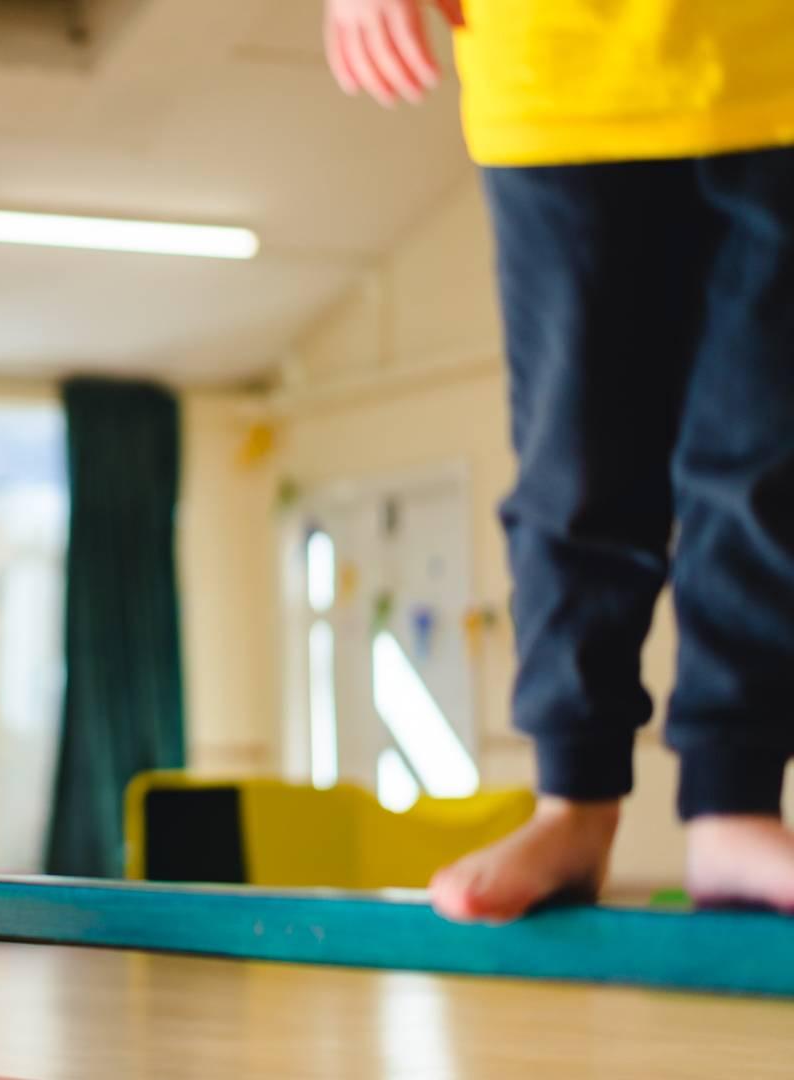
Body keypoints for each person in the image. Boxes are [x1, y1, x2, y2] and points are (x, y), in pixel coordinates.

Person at [323, 0, 794, 919]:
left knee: (761, 458)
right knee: (576, 463)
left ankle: (734, 802)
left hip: (770, 65)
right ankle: (574, 799)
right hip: (555, 71)